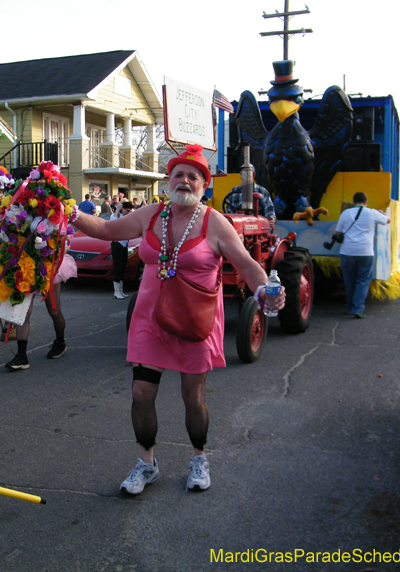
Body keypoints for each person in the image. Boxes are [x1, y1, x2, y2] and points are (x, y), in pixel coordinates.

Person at [67, 144, 285, 495]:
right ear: (169, 181)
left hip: (194, 322)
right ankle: (146, 464)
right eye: (178, 175)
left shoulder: (215, 222)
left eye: (193, 176)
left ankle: (199, 458)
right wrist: (70, 213)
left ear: (203, 185)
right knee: (141, 393)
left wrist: (266, 289)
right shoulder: (151, 214)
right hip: (149, 320)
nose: (184, 181)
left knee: (192, 396)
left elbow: (246, 264)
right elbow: (108, 231)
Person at [4, 250, 77, 371]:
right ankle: (21, 356)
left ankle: (60, 342)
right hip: (25, 265)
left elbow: (64, 242)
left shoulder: (56, 230)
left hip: (48, 265)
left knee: (54, 311)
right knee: (24, 311)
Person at [335, 191, 390, 319]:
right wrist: (380, 213)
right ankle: (358, 309)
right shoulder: (372, 213)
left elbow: (338, 233)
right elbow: (388, 220)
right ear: (366, 202)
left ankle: (349, 307)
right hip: (365, 252)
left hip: (347, 252)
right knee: (363, 281)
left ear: (353, 202)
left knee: (349, 282)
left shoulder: (346, 213)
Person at [110, 201, 134, 299]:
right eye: (126, 210)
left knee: (123, 266)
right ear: (122, 209)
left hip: (124, 244)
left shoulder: (128, 217)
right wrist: (117, 210)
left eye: (129, 211)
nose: (128, 212)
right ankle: (116, 291)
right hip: (117, 244)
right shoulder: (116, 215)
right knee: (118, 267)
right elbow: (112, 223)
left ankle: (121, 290)